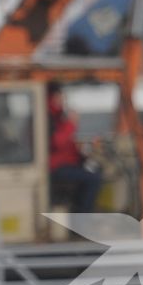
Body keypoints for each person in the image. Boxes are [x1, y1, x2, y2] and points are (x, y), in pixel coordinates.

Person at [46, 84, 105, 213]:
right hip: (54, 167)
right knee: (93, 178)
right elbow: (57, 142)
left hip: (64, 163)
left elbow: (66, 144)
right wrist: (71, 124)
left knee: (95, 170)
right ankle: (82, 217)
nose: (62, 100)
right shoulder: (48, 117)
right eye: (59, 97)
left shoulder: (58, 117)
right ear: (52, 97)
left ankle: (78, 209)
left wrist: (83, 152)